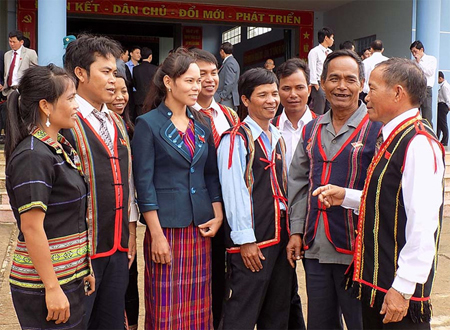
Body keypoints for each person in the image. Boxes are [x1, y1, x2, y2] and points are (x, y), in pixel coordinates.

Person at [313, 57, 444, 329]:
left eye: (371, 88)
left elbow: (423, 224)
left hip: (397, 293)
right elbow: (391, 202)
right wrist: (347, 196)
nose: (365, 95)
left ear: (397, 93)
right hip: (380, 285)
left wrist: (403, 287)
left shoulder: (417, 142)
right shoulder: (394, 136)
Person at [288, 50, 382, 330]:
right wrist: (295, 231)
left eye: (350, 79)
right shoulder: (311, 129)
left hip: (359, 249)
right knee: (320, 322)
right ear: (322, 82)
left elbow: (382, 191)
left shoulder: (378, 130)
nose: (342, 86)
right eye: (334, 79)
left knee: (361, 322)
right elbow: (298, 183)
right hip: (316, 246)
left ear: (362, 84)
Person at [133, 48, 223, 329]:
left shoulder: (202, 123)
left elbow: (210, 175)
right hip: (166, 229)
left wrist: (217, 213)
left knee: (198, 306)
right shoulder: (148, 124)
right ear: (169, 82)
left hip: (200, 227)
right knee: (165, 307)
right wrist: (156, 235)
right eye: (190, 81)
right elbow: (143, 184)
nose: (197, 87)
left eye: (199, 81)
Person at [5, 64, 95, 329]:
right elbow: (32, 228)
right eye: (69, 98)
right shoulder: (33, 156)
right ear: (46, 106)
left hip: (68, 277)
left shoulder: (56, 147)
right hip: (43, 285)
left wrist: (82, 267)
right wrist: (53, 288)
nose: (77, 104)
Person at [63, 34, 139, 330]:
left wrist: (131, 231)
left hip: (117, 245)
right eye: (105, 72)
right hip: (82, 250)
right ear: (80, 74)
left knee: (111, 321)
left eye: (115, 72)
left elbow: (128, 181)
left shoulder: (117, 121)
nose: (113, 80)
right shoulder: (66, 120)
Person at [218, 68, 292, 329]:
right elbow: (234, 191)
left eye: (274, 93)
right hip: (253, 239)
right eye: (263, 95)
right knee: (242, 309)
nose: (272, 100)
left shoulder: (278, 137)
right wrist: (245, 240)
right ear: (245, 100)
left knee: (278, 308)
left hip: (280, 235)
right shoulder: (235, 139)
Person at [190, 47, 240, 329]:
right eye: (200, 75)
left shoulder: (229, 115)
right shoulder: (183, 116)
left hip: (230, 206)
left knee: (227, 273)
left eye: (213, 74)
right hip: (201, 206)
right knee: (202, 273)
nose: (208, 80)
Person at [272, 57, 316, 330]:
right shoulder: (268, 126)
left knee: (321, 293)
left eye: (299, 87)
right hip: (277, 221)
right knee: (282, 291)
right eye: (285, 88)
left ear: (309, 89)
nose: (292, 94)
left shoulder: (323, 126)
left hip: (314, 221)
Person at [2, 30, 38, 97]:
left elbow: (34, 73)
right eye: (10, 41)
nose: (12, 44)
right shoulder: (7, 55)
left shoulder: (30, 53)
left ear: (21, 42)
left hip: (24, 90)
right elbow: (6, 73)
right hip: (10, 90)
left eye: (14, 42)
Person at [308, 27, 334, 115]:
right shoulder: (314, 52)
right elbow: (312, 68)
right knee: (319, 108)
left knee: (329, 107)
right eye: (332, 38)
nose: (333, 40)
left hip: (328, 83)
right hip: (318, 84)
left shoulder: (330, 52)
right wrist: (316, 85)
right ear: (326, 38)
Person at [410, 40, 437, 126]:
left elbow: (429, 72)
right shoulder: (412, 62)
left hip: (426, 89)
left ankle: (429, 136)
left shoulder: (431, 59)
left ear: (421, 49)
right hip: (415, 89)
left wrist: (419, 63)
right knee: (414, 113)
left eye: (415, 51)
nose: (414, 54)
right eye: (412, 52)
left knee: (427, 115)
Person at [215, 42, 240, 110]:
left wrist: (222, 96)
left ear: (222, 51)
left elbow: (229, 82)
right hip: (227, 98)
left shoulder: (229, 63)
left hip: (227, 99)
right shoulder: (231, 62)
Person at [133, 47, 158, 117]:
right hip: (151, 99)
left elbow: (134, 84)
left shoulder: (135, 69)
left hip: (139, 100)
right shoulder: (155, 68)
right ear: (150, 56)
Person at [437, 71, 450, 146]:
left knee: (443, 123)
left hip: (443, 105)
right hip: (442, 105)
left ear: (440, 78)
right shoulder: (443, 86)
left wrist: (448, 106)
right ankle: (439, 138)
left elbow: (447, 98)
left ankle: (445, 141)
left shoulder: (445, 86)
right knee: (439, 123)